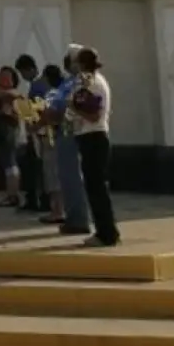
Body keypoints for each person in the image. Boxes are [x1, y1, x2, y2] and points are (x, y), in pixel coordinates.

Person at [70, 47, 119, 247]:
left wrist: (72, 107)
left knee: (96, 187)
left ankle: (106, 233)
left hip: (94, 137)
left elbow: (93, 115)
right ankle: (105, 230)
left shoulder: (92, 83)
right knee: (95, 187)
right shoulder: (94, 81)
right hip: (91, 137)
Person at [48, 47, 91, 236]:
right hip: (63, 130)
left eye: (71, 60)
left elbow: (67, 106)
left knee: (72, 177)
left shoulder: (81, 83)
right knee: (66, 176)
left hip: (72, 131)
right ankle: (73, 216)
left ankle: (78, 219)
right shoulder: (68, 82)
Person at [14, 54, 48, 213]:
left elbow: (38, 109)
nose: (23, 77)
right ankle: (36, 197)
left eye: (23, 73)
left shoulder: (38, 86)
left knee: (36, 167)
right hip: (38, 130)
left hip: (39, 131)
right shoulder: (40, 84)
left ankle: (37, 198)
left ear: (30, 69)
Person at [37, 65, 67, 225]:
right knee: (54, 173)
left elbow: (48, 114)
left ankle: (57, 210)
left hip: (51, 136)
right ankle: (57, 209)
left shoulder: (52, 94)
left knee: (52, 174)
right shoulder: (61, 92)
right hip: (56, 135)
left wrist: (36, 123)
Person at [0, 66, 23, 207]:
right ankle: (10, 193)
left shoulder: (12, 94)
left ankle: (13, 195)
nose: (2, 79)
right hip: (0, 132)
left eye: (6, 76)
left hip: (9, 132)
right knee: (7, 163)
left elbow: (10, 111)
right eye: (1, 76)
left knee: (11, 164)